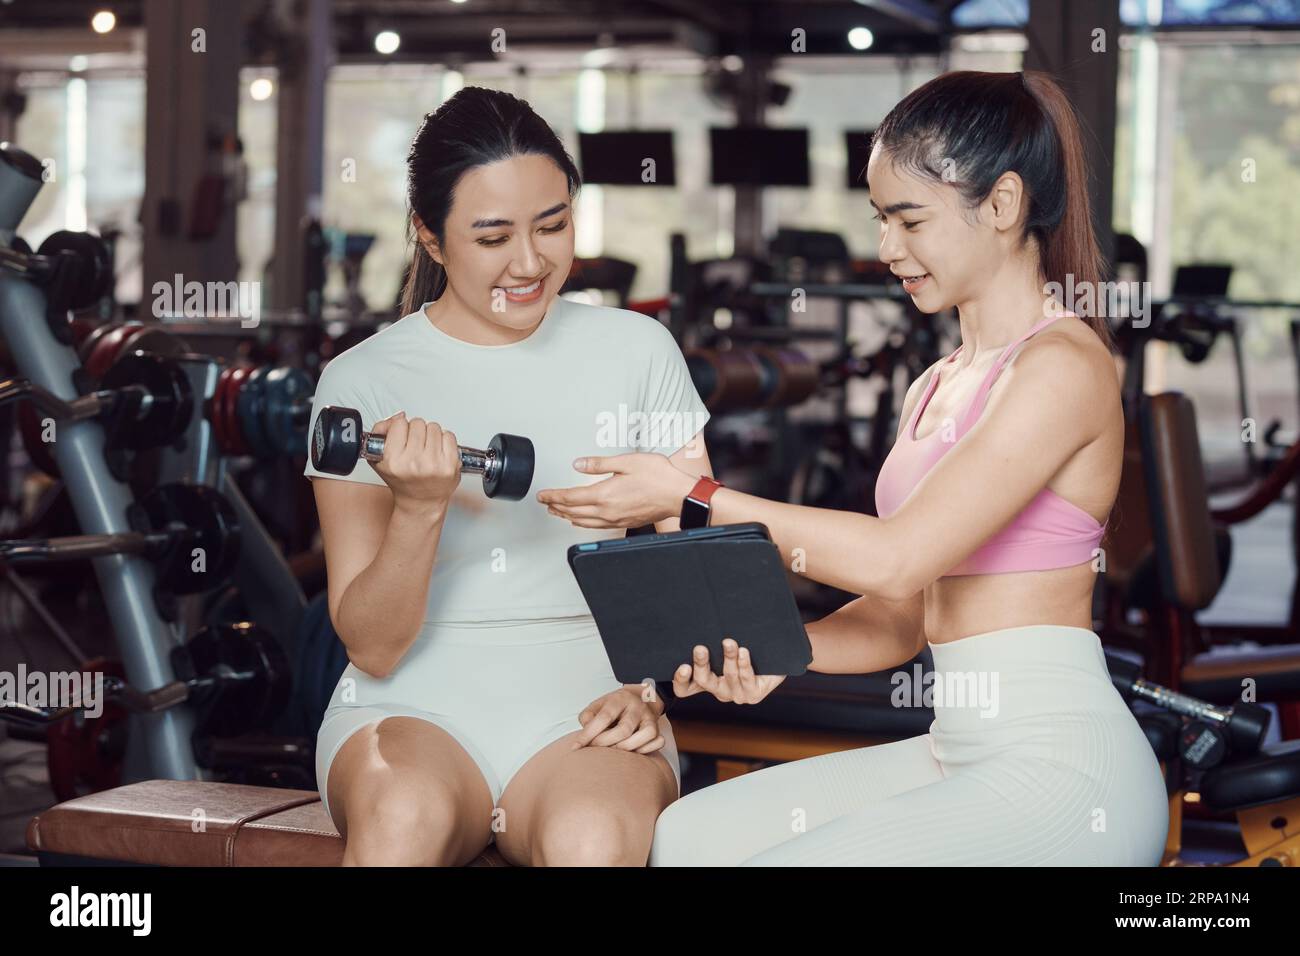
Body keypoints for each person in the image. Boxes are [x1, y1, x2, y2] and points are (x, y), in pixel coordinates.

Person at [538, 70, 1169, 866]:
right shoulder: (935, 385)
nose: (886, 249)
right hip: (959, 748)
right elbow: (898, 616)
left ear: (1003, 205)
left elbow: (897, 554)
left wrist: (692, 494)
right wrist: (773, 653)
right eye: (880, 219)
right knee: (688, 839)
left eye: (910, 220)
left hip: (1064, 770)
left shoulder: (1063, 366)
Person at [305, 87, 714, 866]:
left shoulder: (639, 351)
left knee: (591, 839)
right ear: (430, 236)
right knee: (400, 820)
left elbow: (696, 569)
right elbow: (375, 647)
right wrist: (421, 510)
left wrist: (652, 690)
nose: (530, 263)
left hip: (593, 702)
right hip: (409, 704)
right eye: (492, 236)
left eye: (553, 226)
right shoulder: (362, 380)